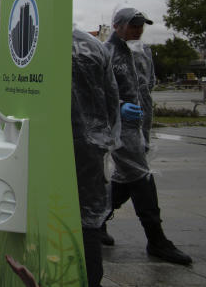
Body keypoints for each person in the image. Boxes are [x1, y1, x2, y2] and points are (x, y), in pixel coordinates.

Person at [103, 7, 191, 265]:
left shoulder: (142, 52)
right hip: (120, 128)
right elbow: (98, 91)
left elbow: (147, 86)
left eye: (142, 25)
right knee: (141, 177)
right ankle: (157, 239)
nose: (139, 29)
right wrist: (119, 106)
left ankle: (95, 221)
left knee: (126, 177)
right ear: (118, 25)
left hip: (140, 125)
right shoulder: (106, 53)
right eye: (134, 24)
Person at [70, 28, 121, 287]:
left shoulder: (25, 45)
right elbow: (111, 99)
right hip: (90, 145)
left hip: (41, 144)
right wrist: (103, 137)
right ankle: (91, 279)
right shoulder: (94, 45)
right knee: (86, 216)